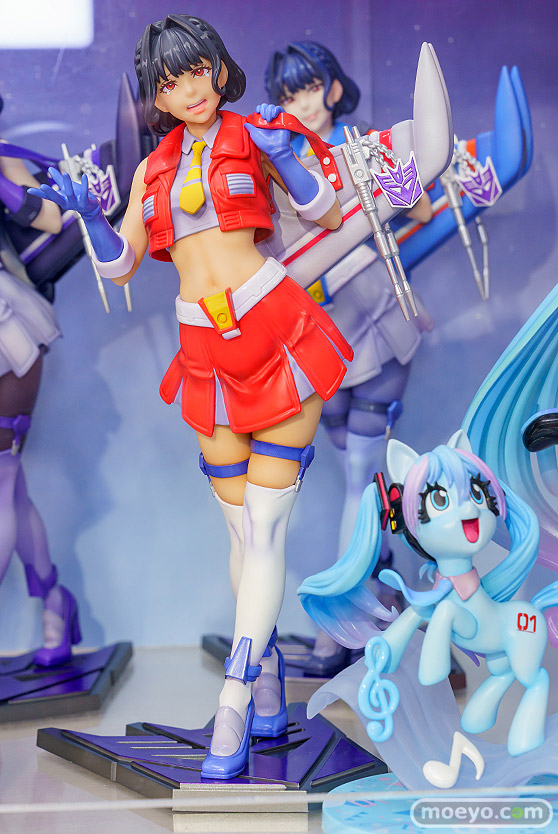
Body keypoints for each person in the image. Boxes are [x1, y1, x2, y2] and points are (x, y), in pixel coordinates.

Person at [31, 14, 352, 778]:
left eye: (197, 69)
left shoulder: (259, 133)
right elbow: (120, 265)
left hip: (275, 331)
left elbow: (328, 211)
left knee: (264, 533)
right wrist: (89, 219)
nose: (189, 88)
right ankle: (267, 677)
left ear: (218, 68)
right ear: (159, 97)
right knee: (240, 536)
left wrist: (287, 157)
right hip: (205, 352)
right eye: (171, 81)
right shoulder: (153, 168)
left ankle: (236, 696)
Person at [265, 41, 433, 674]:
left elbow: (418, 206)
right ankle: (378, 599)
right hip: (319, 333)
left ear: (333, 89)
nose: (302, 103)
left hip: (378, 320)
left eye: (309, 88)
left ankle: (340, 624)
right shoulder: (280, 162)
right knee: (361, 482)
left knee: (363, 478)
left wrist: (390, 175)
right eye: (288, 95)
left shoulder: (361, 145)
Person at [0, 94, 81, 666]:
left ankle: (55, 600)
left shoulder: (4, 158)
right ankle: (55, 598)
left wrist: (5, 189)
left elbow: (53, 219)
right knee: (12, 487)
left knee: (2, 481)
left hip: (7, 331)